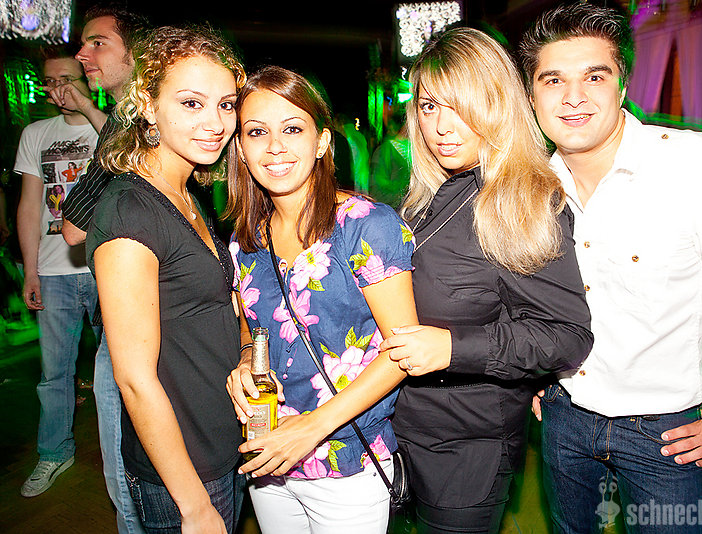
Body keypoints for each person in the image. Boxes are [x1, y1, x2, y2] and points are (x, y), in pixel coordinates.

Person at [519, 3, 702, 533]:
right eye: (553, 80)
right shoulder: (532, 187)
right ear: (532, 97)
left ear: (622, 85)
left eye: (594, 76)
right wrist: (531, 376)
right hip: (561, 413)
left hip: (665, 435)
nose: (573, 97)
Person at [378, 27, 593, 534]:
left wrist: (453, 348)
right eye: (429, 107)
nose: (442, 127)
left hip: (466, 450)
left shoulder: (522, 201)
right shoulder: (427, 199)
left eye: (461, 106)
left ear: (498, 103)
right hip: (399, 430)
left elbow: (566, 336)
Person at [225, 65, 417, 533]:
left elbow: (403, 351)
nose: (275, 146)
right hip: (268, 457)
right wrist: (245, 362)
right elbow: (253, 328)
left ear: (322, 142)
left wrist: (311, 428)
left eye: (293, 129)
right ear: (241, 149)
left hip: (347, 462)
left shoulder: (366, 226)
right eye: (257, 132)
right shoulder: (245, 240)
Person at [85, 25, 247, 533]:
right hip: (185, 470)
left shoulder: (186, 194)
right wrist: (193, 504)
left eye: (225, 105)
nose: (215, 123)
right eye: (191, 103)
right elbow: (134, 379)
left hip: (221, 443)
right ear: (148, 107)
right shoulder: (131, 210)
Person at [60, 5, 150, 533]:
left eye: (97, 43)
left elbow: (73, 227)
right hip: (173, 311)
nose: (82, 54)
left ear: (135, 54)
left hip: (133, 318)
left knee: (127, 475)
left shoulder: (131, 120)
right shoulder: (140, 117)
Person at [14, 46, 102, 498]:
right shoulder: (35, 134)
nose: (59, 90)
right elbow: (30, 206)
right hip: (53, 270)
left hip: (107, 267)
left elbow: (133, 157)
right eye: (51, 82)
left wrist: (87, 107)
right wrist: (30, 270)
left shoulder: (111, 126)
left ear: (88, 79)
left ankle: (128, 453)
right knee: (54, 375)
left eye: (68, 79)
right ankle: (54, 452)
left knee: (120, 371)